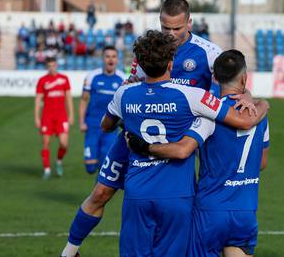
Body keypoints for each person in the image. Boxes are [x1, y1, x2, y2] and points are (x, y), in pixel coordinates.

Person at [60, 0, 256, 256]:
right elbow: (132, 82)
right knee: (100, 192)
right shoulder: (150, 48)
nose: (171, 34)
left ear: (189, 23)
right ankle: (70, 251)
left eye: (177, 28)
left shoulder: (209, 53)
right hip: (136, 131)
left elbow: (233, 83)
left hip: (183, 134)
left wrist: (250, 96)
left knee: (189, 200)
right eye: (166, 28)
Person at [108, 31, 268, 256]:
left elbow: (182, 149)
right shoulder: (256, 115)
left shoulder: (205, 116)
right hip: (240, 207)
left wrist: (144, 146)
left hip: (201, 207)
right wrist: (263, 103)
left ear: (215, 78)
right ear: (244, 78)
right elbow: (260, 157)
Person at [79, 46, 126, 174]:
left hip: (111, 126)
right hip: (92, 125)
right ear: (103, 59)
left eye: (114, 56)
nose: (111, 59)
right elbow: (84, 100)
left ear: (117, 59)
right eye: (107, 56)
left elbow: (125, 104)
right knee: (90, 167)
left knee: (104, 165)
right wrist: (81, 121)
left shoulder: (123, 79)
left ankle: (97, 192)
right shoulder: (92, 76)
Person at [35, 57, 74, 179]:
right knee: (46, 143)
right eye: (49, 66)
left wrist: (71, 114)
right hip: (47, 116)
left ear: (56, 65)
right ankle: (46, 170)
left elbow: (68, 97)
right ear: (47, 67)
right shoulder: (42, 81)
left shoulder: (64, 79)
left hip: (61, 116)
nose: (51, 68)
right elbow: (38, 99)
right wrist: (37, 117)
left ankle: (58, 161)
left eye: (53, 65)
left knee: (64, 144)